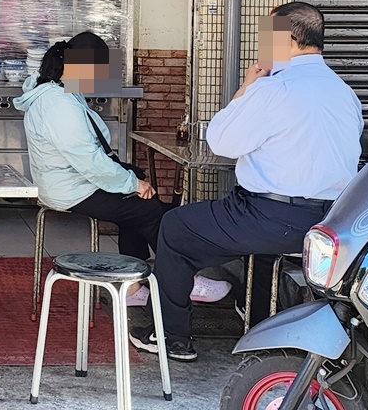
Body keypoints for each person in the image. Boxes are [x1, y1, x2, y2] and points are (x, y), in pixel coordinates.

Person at [130, 2, 363, 362]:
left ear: (287, 39)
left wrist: (245, 89)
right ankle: (254, 314)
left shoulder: (273, 89)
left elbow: (221, 143)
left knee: (175, 226)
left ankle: (169, 336)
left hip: (267, 215)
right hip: (331, 222)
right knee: (260, 244)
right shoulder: (345, 93)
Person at [13, 32, 230, 307]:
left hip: (74, 182)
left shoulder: (59, 91)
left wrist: (130, 179)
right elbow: (88, 160)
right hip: (72, 189)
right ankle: (184, 281)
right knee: (149, 209)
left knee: (139, 207)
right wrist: (131, 183)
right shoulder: (58, 103)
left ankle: (132, 288)